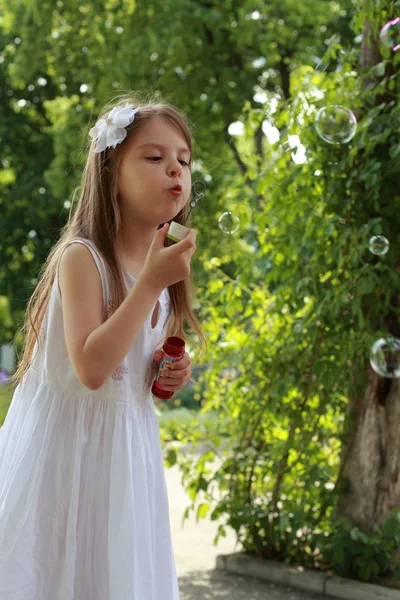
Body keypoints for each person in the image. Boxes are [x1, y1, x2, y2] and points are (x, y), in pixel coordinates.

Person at [0, 93, 207, 600]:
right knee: (54, 574)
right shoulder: (82, 257)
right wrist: (152, 284)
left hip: (124, 456)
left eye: (183, 160)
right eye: (154, 157)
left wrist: (168, 373)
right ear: (111, 171)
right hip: (66, 456)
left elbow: (134, 366)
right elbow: (92, 367)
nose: (174, 170)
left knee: (114, 575)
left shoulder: (162, 268)